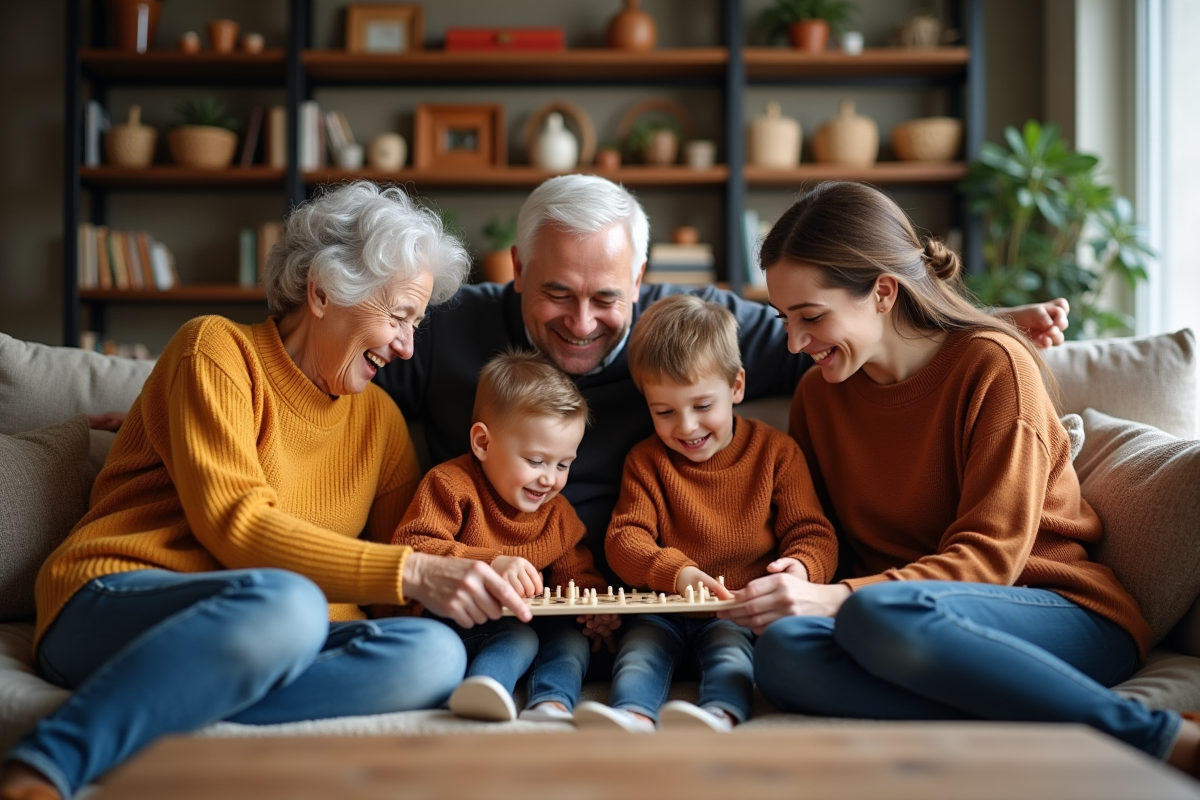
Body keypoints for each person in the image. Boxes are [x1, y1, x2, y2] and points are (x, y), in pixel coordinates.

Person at [0, 182, 531, 800]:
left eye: (415, 323)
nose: (407, 345)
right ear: (324, 291)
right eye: (396, 316)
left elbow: (395, 582)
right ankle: (47, 763)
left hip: (278, 635)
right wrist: (415, 573)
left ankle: (164, 712)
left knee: (434, 654)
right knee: (290, 603)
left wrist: (486, 572)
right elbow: (236, 525)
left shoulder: (381, 421)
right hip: (117, 598)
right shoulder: (216, 350)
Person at [718, 180, 1200, 776]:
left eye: (811, 316)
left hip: (1052, 610)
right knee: (784, 658)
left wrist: (839, 597)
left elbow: (991, 558)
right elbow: (826, 533)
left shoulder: (993, 366)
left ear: (884, 292)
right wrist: (805, 572)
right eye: (784, 318)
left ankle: (1154, 738)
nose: (795, 342)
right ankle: (1029, 713)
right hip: (909, 631)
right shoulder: (819, 396)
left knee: (874, 612)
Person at [374, 174, 1070, 583]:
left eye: (607, 298)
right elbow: (343, 378)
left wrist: (978, 323)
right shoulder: (442, 330)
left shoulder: (690, 330)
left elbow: (851, 329)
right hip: (492, 590)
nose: (582, 322)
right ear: (517, 271)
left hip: (643, 606)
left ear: (641, 282)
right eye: (557, 293)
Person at [572, 295, 838, 733]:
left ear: (736, 388)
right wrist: (677, 575)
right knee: (637, 655)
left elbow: (813, 533)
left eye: (702, 406)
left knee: (731, 657)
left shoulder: (776, 453)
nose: (687, 427)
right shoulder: (646, 461)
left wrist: (802, 569)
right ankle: (631, 715)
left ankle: (720, 714)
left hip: (735, 611)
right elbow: (625, 539)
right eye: (664, 412)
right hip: (661, 609)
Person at [391, 349, 618, 723]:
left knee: (571, 640)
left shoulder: (557, 513)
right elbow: (413, 548)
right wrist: (491, 563)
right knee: (518, 636)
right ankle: (482, 690)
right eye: (536, 461)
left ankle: (552, 702)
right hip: (448, 620)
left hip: (526, 619)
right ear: (483, 443)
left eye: (563, 465)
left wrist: (593, 610)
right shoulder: (450, 485)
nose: (550, 479)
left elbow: (576, 573)